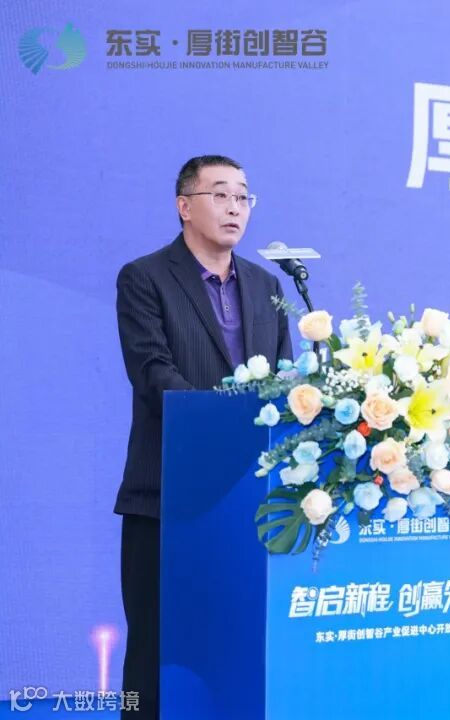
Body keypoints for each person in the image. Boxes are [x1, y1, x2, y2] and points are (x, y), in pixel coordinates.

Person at [114, 155, 292, 718]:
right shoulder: (145, 277)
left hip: (246, 500)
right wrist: (222, 426)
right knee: (156, 650)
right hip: (168, 495)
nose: (235, 207)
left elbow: (285, 380)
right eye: (220, 194)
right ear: (184, 206)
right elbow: (153, 373)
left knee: (234, 647)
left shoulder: (267, 285)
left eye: (243, 196)